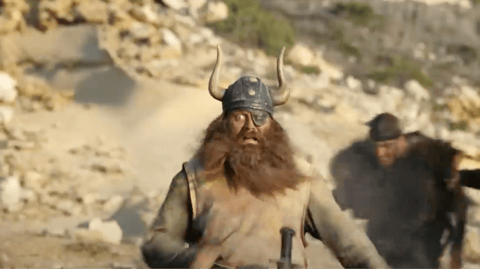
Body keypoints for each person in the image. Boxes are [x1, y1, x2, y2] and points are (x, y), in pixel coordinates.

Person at [140, 45, 389, 269]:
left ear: (273, 126)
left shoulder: (302, 179)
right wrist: (195, 258)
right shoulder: (194, 178)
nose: (251, 127)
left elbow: (350, 243)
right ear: (223, 123)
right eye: (240, 117)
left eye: (260, 118)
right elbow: (156, 243)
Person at [331, 112, 468, 269]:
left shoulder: (425, 165)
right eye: (377, 146)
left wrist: (456, 253)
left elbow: (458, 205)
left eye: (386, 146)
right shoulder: (376, 164)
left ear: (401, 141)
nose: (380, 153)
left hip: (418, 252)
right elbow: (347, 195)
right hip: (382, 248)